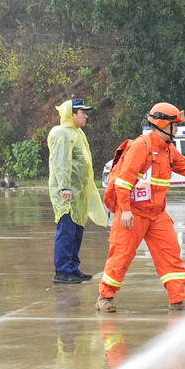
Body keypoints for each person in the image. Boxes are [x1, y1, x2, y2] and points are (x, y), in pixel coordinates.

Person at [97, 102, 185, 312]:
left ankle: (178, 299)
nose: (177, 130)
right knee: (121, 256)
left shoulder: (169, 150)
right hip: (132, 212)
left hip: (156, 214)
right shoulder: (140, 146)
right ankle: (104, 298)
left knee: (171, 254)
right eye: (175, 125)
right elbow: (123, 182)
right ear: (163, 124)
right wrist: (125, 209)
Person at [48, 98, 107, 284]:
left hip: (79, 193)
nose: (86, 116)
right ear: (71, 114)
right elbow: (62, 162)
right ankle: (62, 271)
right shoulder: (62, 133)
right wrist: (65, 187)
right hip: (67, 192)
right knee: (66, 230)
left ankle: (73, 268)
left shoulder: (77, 133)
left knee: (76, 231)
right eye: (83, 112)